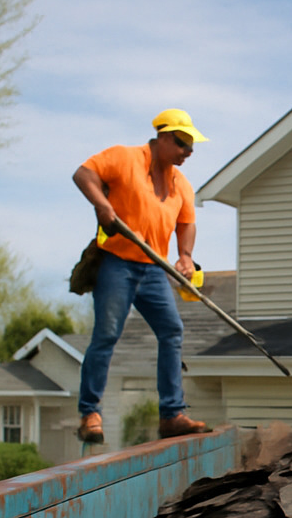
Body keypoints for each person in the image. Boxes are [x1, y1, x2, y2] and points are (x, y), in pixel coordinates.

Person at [72, 109, 212, 443]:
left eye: (191, 147)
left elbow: (186, 222)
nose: (187, 152)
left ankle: (171, 414)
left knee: (171, 330)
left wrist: (186, 256)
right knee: (106, 335)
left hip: (152, 269)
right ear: (163, 137)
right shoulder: (123, 158)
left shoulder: (181, 184)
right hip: (117, 262)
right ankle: (90, 413)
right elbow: (83, 174)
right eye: (181, 144)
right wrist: (101, 204)